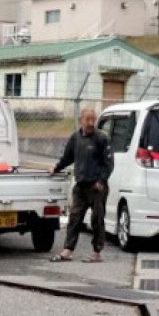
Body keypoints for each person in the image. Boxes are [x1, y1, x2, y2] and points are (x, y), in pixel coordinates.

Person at [49, 108, 114, 263]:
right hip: (80, 186)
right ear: (81, 120)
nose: (91, 123)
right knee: (74, 218)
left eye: (93, 119)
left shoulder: (101, 138)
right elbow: (68, 158)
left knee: (97, 219)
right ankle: (68, 250)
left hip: (96, 187)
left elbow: (109, 163)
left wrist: (101, 181)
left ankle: (97, 252)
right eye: (88, 120)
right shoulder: (75, 138)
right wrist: (56, 168)